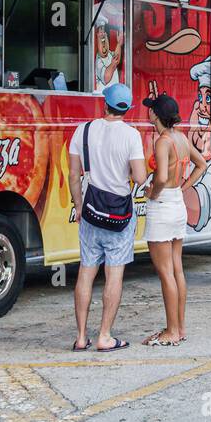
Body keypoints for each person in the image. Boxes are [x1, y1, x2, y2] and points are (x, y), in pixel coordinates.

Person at [69, 83, 148, 353]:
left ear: (105, 104)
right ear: (127, 109)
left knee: (86, 272)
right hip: (119, 216)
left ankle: (81, 337)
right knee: (114, 275)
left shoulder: (84, 130)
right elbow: (139, 177)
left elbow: (73, 174)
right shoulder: (132, 135)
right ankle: (104, 336)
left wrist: (78, 206)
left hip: (90, 211)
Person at [141, 93, 209, 346]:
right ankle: (179, 327)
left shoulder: (163, 141)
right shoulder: (180, 138)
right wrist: (182, 187)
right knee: (177, 269)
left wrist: (152, 193)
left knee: (165, 272)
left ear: (156, 115)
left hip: (162, 207)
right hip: (177, 205)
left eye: (151, 110)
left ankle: (171, 331)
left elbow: (159, 177)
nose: (148, 112)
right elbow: (201, 164)